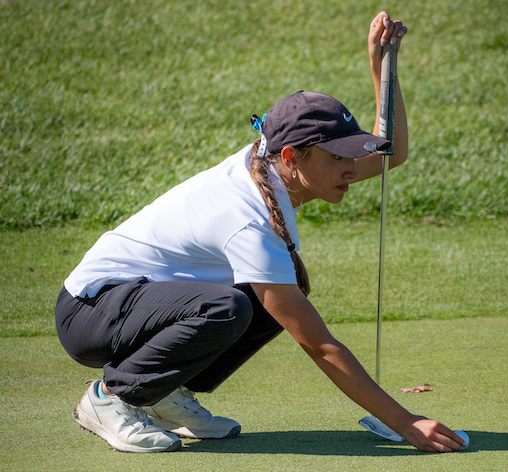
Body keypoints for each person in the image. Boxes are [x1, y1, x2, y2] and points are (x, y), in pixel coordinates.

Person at [55, 11, 465, 454]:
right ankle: (112, 397)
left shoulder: (270, 163)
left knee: (266, 300)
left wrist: (380, 62)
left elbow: (390, 155)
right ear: (292, 156)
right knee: (232, 306)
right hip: (91, 312)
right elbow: (321, 346)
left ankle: (161, 393)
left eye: (350, 156)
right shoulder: (246, 218)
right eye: (337, 159)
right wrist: (407, 422)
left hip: (136, 303)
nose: (351, 170)